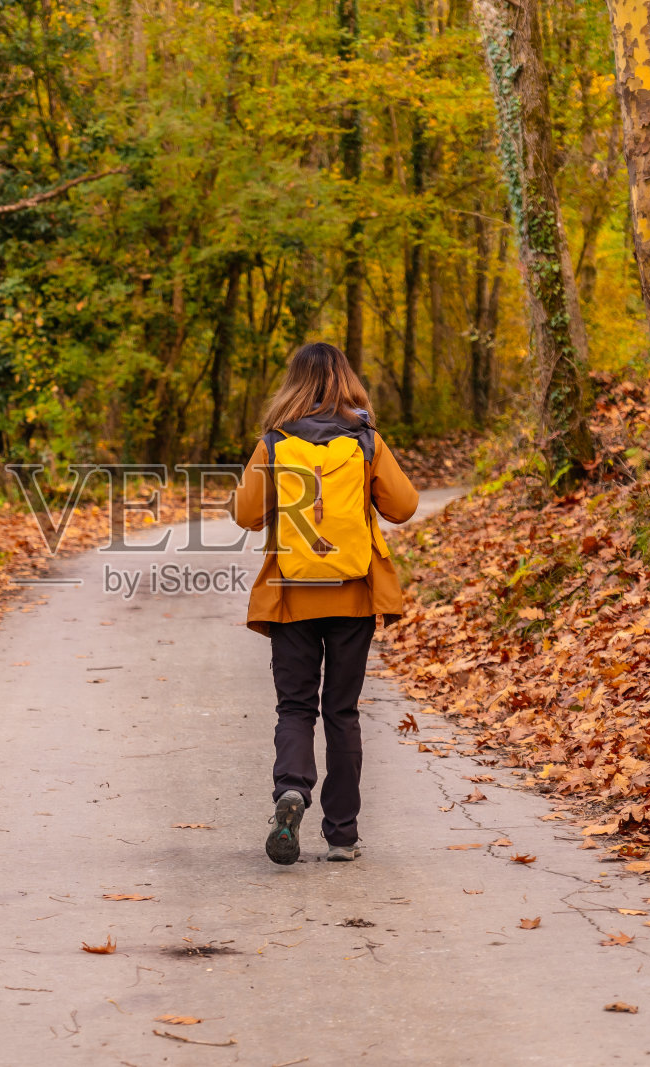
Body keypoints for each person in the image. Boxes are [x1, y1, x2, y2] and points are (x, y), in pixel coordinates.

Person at [232, 341, 419, 865]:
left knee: (295, 707)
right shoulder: (365, 443)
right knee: (341, 711)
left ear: (293, 384)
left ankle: (291, 793)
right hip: (353, 594)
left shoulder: (273, 444)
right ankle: (342, 835)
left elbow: (246, 515)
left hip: (292, 595)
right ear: (346, 381)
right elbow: (403, 507)